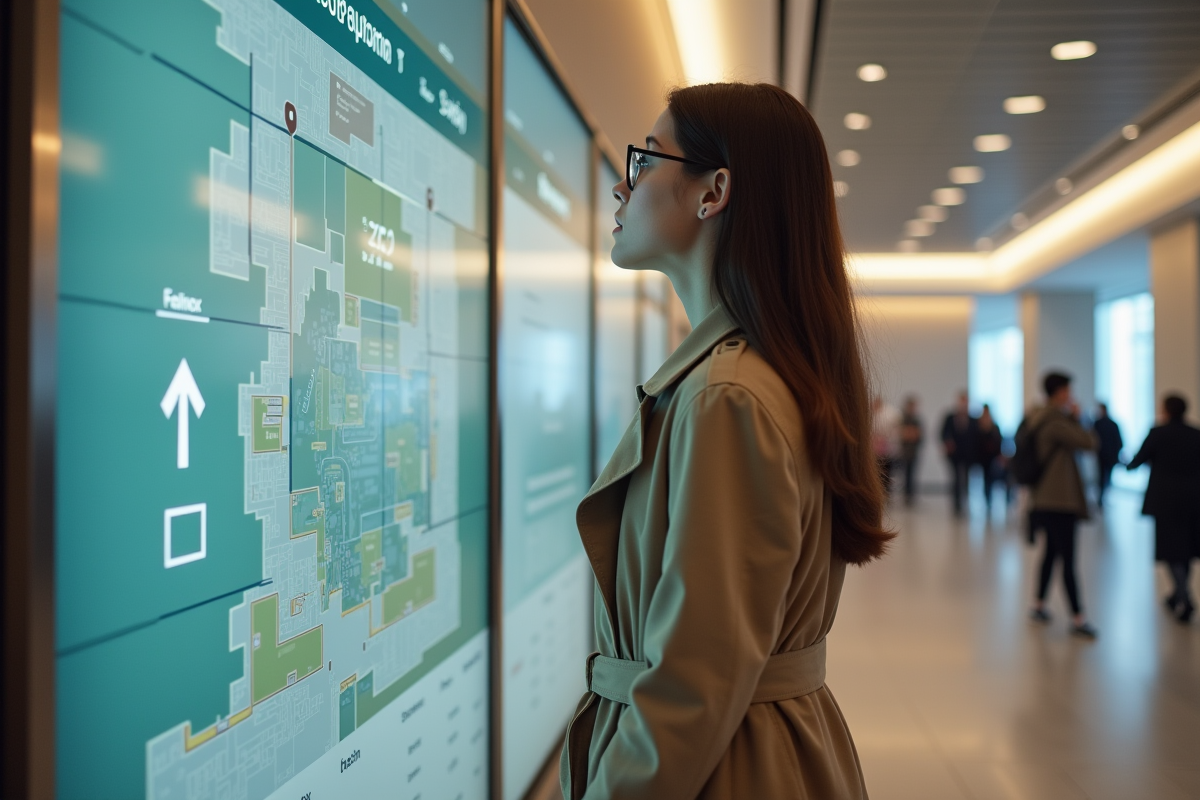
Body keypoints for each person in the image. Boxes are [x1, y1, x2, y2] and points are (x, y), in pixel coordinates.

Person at [561, 83, 892, 800]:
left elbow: (692, 685)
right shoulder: (749, 378)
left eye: (645, 160)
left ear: (713, 192)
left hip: (725, 770)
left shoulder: (727, 396)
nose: (622, 183)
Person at [1026, 371, 1100, 638]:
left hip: (1046, 499)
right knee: (1067, 559)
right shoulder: (1056, 422)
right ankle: (1078, 618)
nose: (1071, 395)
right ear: (1060, 392)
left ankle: (1038, 604)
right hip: (1060, 501)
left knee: (1051, 554)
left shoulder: (1041, 417)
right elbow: (1090, 442)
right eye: (1068, 390)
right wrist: (1079, 418)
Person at [1126, 394, 1200, 624]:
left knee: (1170, 550)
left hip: (1166, 501)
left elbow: (1136, 461)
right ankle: (1177, 593)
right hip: (1193, 500)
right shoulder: (1195, 434)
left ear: (1166, 410)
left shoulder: (1158, 433)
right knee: (1186, 549)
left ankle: (1184, 596)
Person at [940, 391, 977, 516]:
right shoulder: (950, 417)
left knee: (965, 478)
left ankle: (964, 501)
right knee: (955, 478)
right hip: (954, 455)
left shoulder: (973, 419)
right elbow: (943, 433)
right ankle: (956, 504)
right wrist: (947, 443)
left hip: (968, 455)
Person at [1093, 402, 1124, 507]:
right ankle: (1102, 496)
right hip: (1108, 455)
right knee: (1105, 476)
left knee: (1103, 476)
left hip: (1103, 454)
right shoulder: (1111, 424)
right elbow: (1119, 442)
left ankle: (1102, 496)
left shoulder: (1098, 424)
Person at [872, 396, 902, 496]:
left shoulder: (890, 413)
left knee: (887, 470)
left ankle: (887, 491)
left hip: (887, 448)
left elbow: (896, 431)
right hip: (875, 448)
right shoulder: (872, 414)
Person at [976, 404, 1003, 511]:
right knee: (986, 478)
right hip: (983, 457)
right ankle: (987, 498)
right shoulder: (978, 425)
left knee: (991, 478)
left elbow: (999, 440)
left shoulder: (994, 426)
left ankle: (990, 498)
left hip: (992, 456)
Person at [899, 395, 924, 506]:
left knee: (912, 474)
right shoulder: (902, 419)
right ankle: (905, 496)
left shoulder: (917, 420)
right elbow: (901, 434)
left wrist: (910, 434)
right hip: (904, 452)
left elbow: (919, 436)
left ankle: (910, 496)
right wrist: (909, 433)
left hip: (913, 451)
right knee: (905, 474)